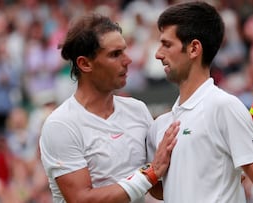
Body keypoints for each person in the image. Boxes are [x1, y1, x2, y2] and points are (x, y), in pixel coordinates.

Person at [146, 2, 253, 203]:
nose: (158, 54)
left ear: (194, 49)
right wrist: (155, 170)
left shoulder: (224, 107)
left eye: (167, 44)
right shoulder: (160, 126)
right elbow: (161, 191)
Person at [39, 13, 180, 203]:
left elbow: (155, 188)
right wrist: (151, 173)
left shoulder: (137, 110)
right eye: (115, 54)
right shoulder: (61, 124)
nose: (127, 60)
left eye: (125, 50)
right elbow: (81, 199)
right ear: (85, 63)